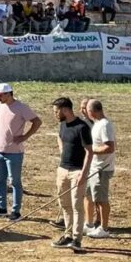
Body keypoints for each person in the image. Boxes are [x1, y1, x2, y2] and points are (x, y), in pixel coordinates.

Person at [0, 83, 42, 221]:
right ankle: (2, 207)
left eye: (0, 95)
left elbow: (37, 121)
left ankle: (16, 211)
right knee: (0, 179)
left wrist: (25, 136)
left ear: (8, 94)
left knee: (15, 181)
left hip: (14, 152)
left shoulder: (21, 108)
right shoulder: (0, 105)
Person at [51, 97, 94, 252]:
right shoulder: (63, 125)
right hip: (62, 169)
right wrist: (62, 151)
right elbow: (59, 137)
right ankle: (68, 235)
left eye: (57, 111)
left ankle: (77, 239)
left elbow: (90, 151)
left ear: (65, 110)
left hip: (77, 171)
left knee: (77, 205)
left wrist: (83, 173)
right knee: (65, 204)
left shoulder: (82, 127)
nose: (55, 114)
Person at [83, 99, 116, 239]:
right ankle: (89, 223)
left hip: (102, 168)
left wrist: (92, 151)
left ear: (92, 112)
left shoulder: (105, 125)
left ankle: (104, 228)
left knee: (101, 199)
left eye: (87, 110)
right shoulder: (97, 124)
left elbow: (110, 147)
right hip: (94, 167)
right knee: (89, 196)